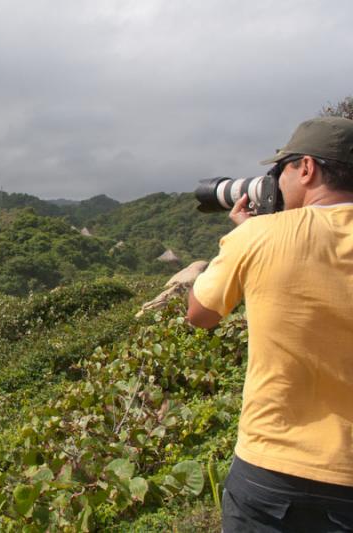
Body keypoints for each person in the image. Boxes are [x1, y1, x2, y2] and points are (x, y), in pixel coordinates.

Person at [187, 116, 353, 532]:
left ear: (308, 168)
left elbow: (199, 314)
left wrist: (246, 239)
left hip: (272, 467)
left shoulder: (258, 237)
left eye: (282, 169)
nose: (276, 182)